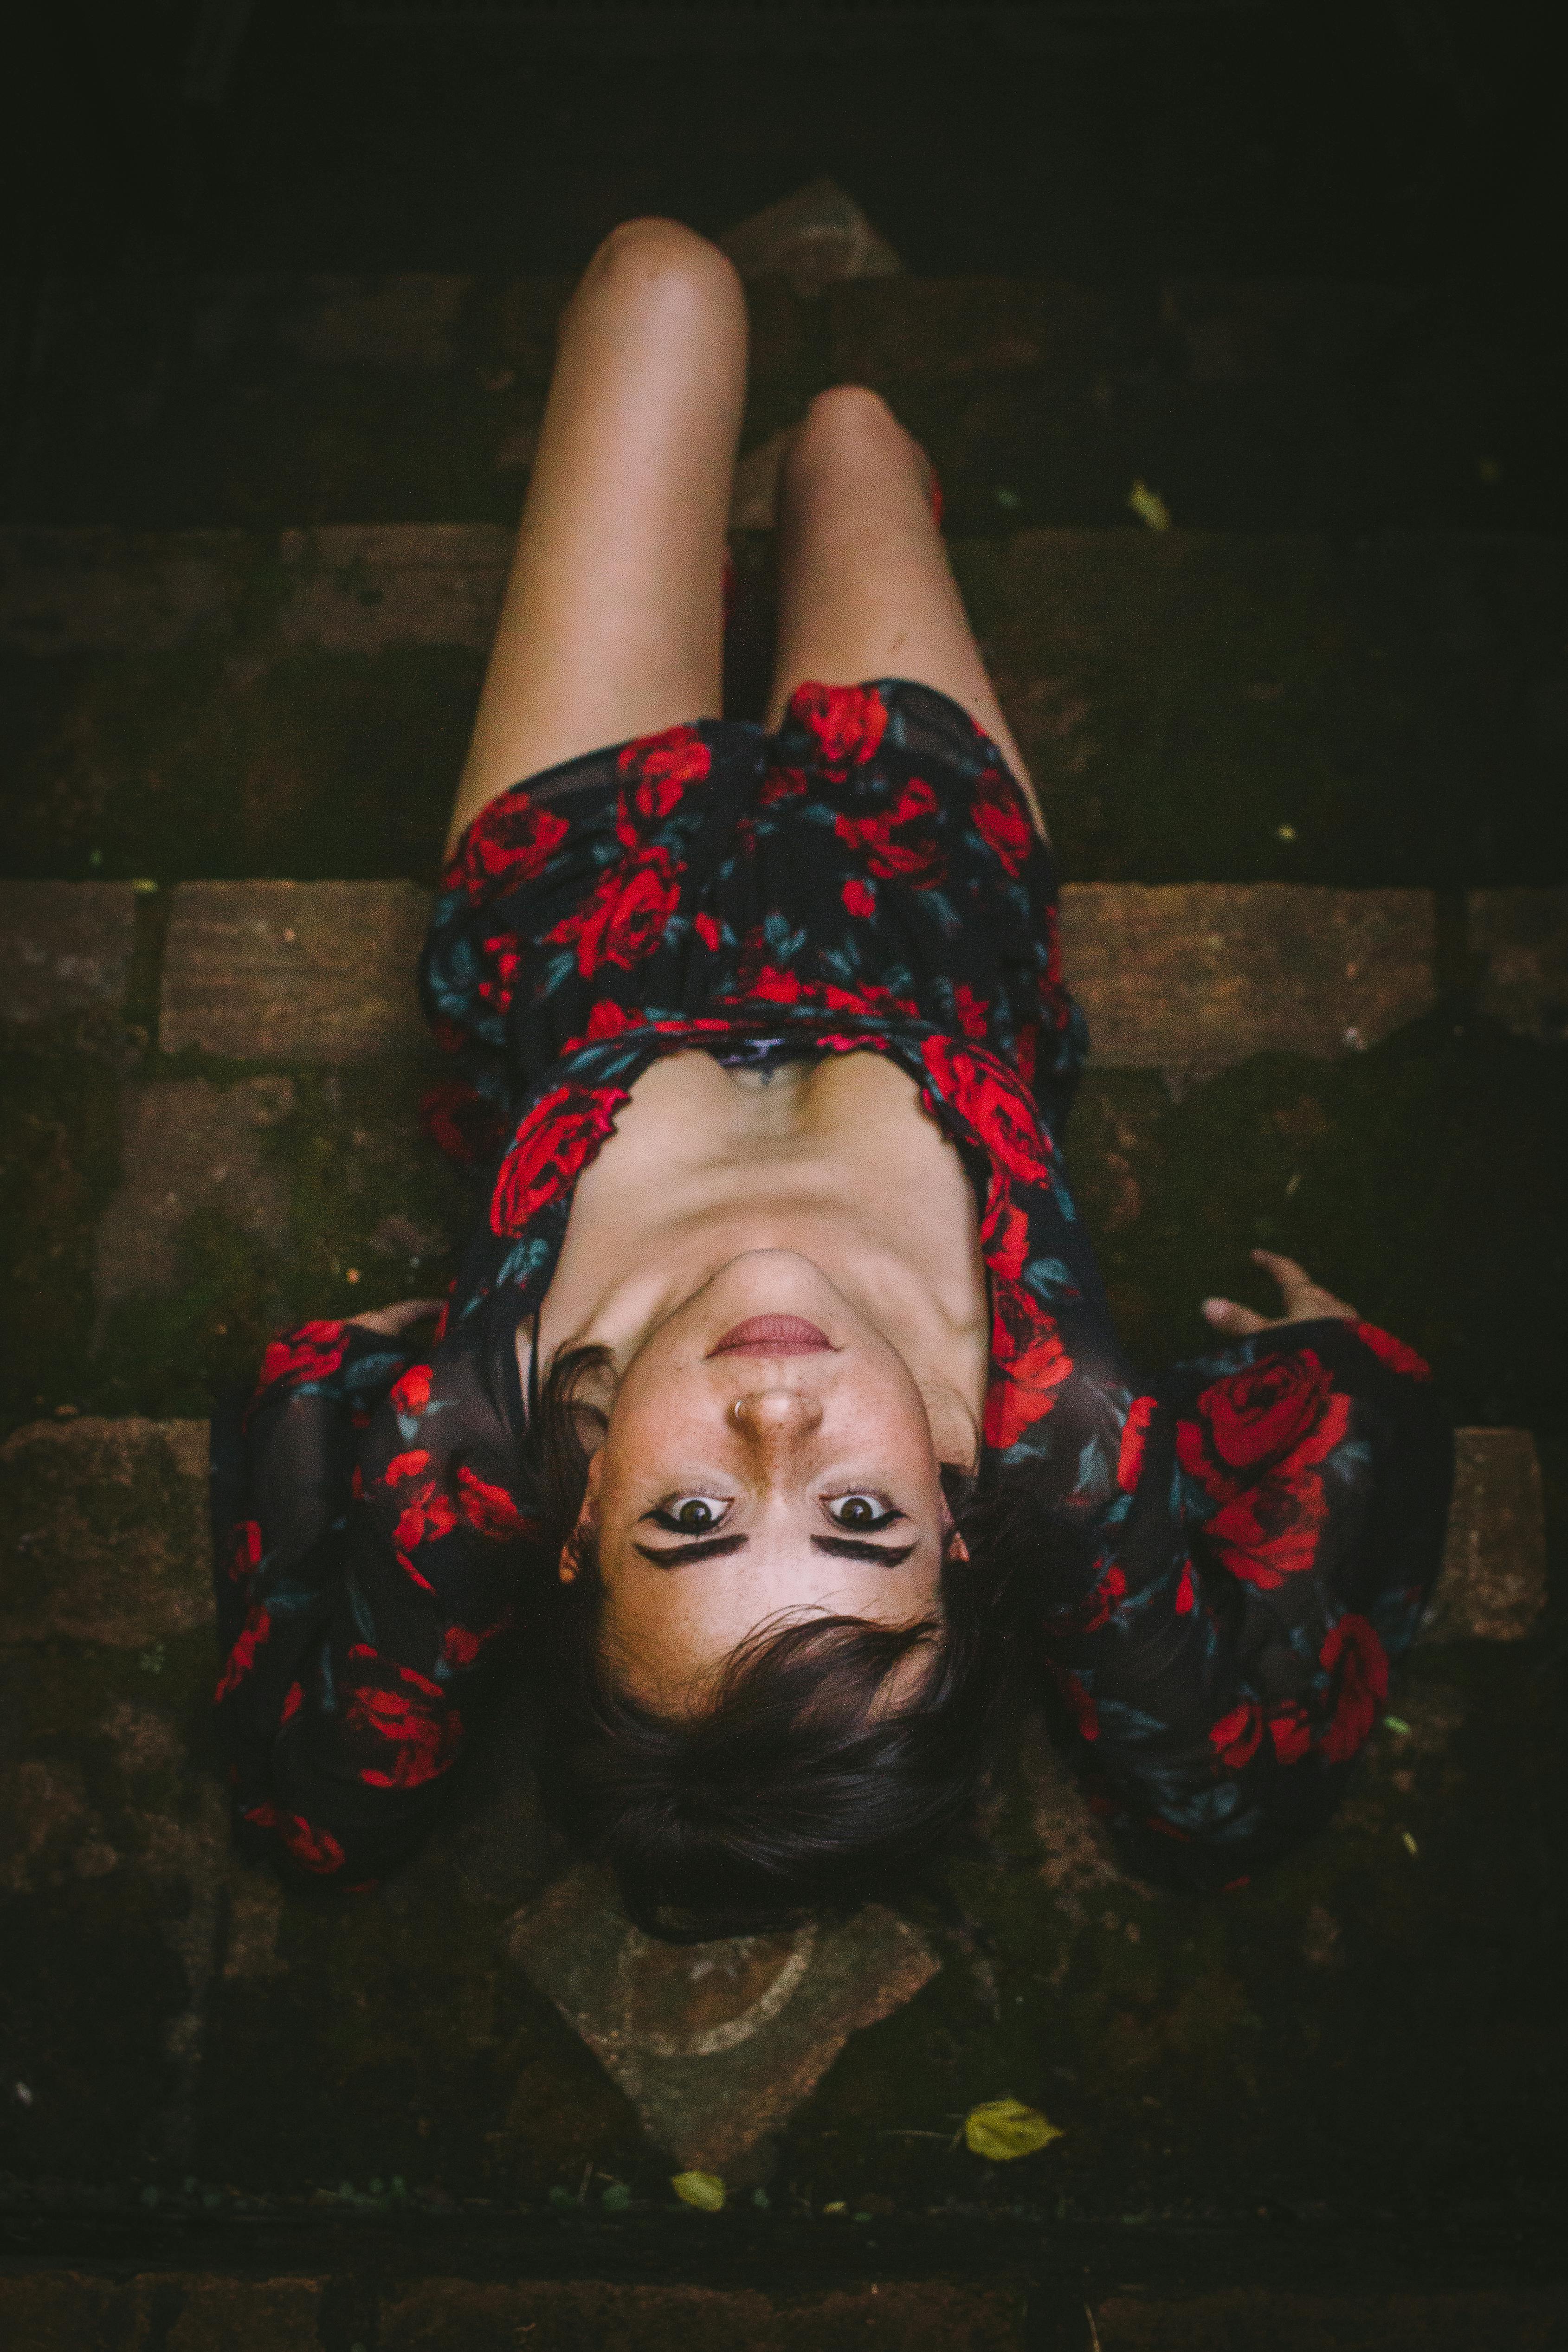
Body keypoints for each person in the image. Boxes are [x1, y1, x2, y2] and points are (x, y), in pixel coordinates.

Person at [213, 219, 1452, 1939]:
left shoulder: (479, 1436)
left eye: (697, 1516)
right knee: (851, 431)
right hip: (918, 877)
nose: (779, 1421)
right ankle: (817, 526)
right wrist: (1316, 1373)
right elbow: (1221, 1795)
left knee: (661, 281)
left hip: (588, 886)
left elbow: (319, 1804)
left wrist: (351, 1381)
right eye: (860, 1517)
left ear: (570, 1541)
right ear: (960, 1531)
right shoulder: (1065, 1438)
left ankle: (701, 596)